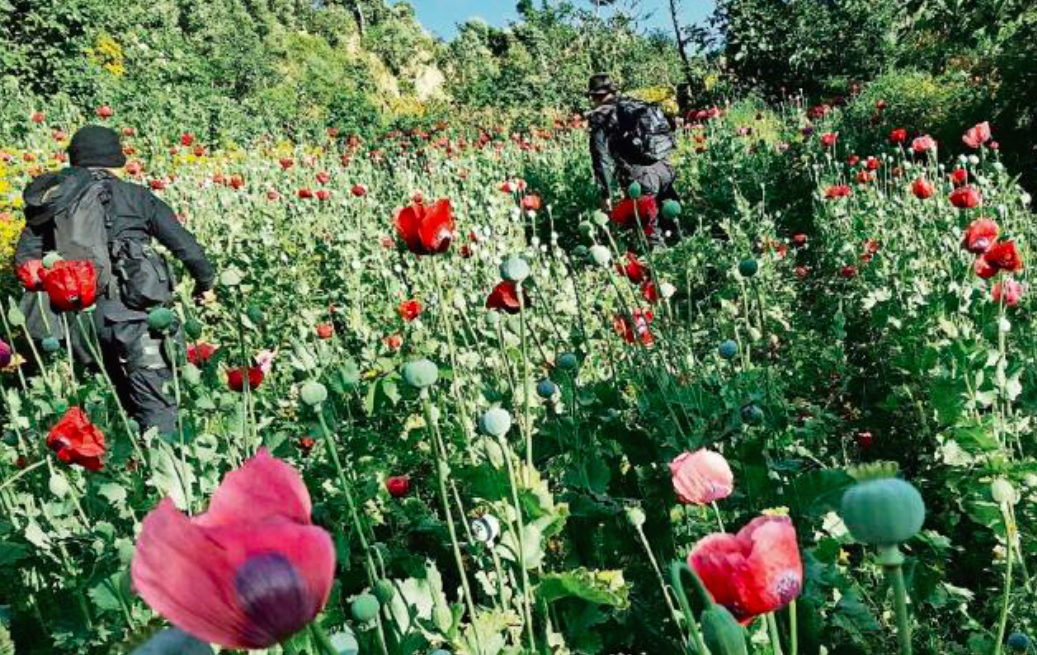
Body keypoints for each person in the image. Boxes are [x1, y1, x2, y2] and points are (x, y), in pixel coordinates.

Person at [15, 125, 216, 436]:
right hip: (139, 318)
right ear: (116, 159)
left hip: (83, 322)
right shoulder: (138, 197)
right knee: (158, 411)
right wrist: (206, 284)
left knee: (120, 407)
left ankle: (132, 465)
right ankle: (166, 474)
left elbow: (25, 263)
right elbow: (187, 248)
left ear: (75, 161)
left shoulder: (54, 202)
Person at [586, 74, 678, 244]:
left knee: (652, 237)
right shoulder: (634, 105)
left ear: (594, 96)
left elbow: (601, 158)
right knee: (673, 228)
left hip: (641, 179)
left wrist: (605, 192)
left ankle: (659, 265)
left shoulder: (601, 115)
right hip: (664, 169)